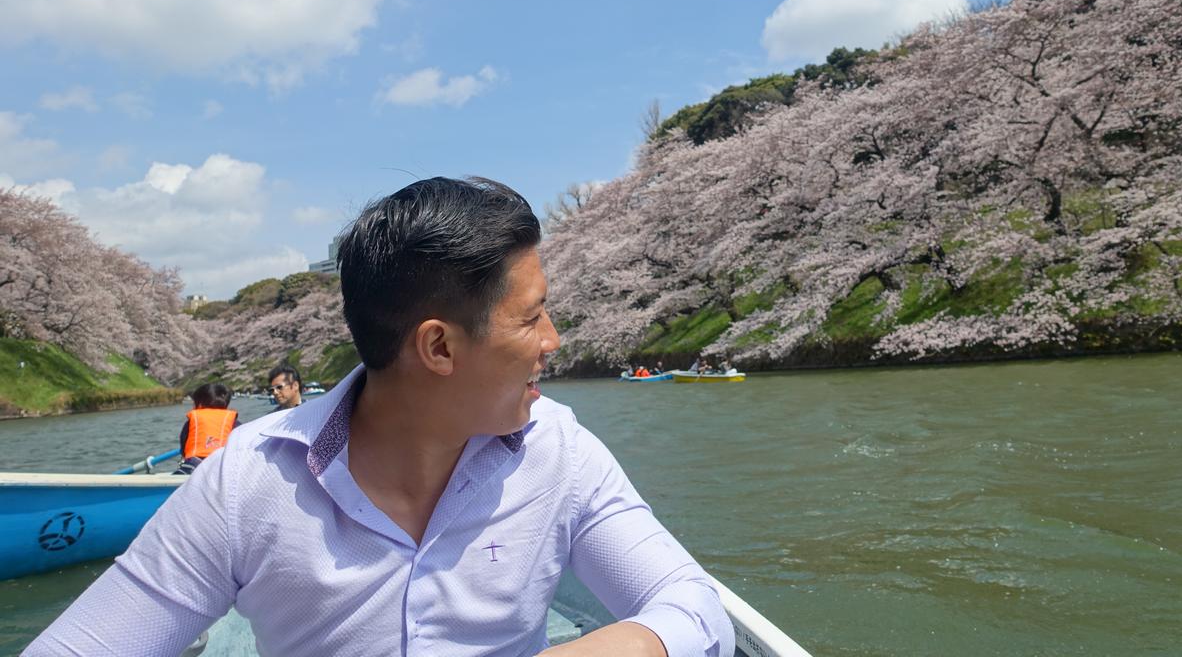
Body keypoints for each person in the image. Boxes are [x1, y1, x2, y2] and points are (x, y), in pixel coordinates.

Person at [28, 176, 733, 657]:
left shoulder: (561, 452)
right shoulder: (248, 482)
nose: (554, 341)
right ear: (439, 346)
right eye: (532, 317)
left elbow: (692, 606)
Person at [173, 383, 239, 475]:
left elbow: (184, 447)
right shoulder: (234, 422)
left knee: (182, 473)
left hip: (195, 463)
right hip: (224, 464)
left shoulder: (193, 421)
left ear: (199, 404)